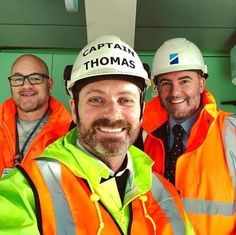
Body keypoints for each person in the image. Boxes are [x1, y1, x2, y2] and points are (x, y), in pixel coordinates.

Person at [0, 35, 195, 234]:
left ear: (142, 111)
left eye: (125, 100)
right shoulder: (24, 191)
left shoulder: (164, 193)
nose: (112, 114)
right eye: (96, 99)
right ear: (74, 110)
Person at [136, 38, 236, 234]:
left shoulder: (231, 131)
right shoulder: (142, 136)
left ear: (201, 83)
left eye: (184, 81)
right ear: (157, 89)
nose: (175, 92)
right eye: (166, 83)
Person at [0, 54, 72, 177]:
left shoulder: (70, 134)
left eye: (35, 78)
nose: (26, 86)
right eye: (18, 79)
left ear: (49, 84)